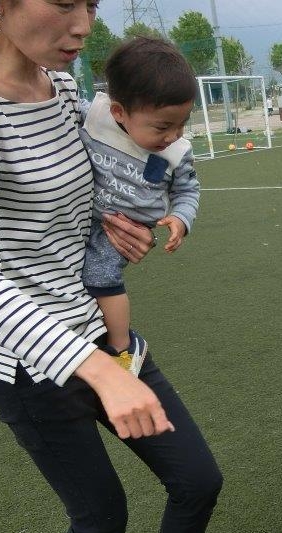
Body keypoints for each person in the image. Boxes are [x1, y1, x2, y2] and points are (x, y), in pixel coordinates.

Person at [0, 0, 246, 533]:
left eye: (93, 4)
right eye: (64, 1)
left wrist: (117, 226)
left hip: (97, 332)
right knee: (101, 513)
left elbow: (83, 196)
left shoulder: (60, 86)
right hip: (29, 364)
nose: (83, 25)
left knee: (197, 478)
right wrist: (100, 368)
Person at [80, 37, 200, 375]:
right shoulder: (95, 117)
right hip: (83, 218)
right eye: (163, 126)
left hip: (120, 232)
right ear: (119, 112)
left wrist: (180, 219)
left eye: (182, 124)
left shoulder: (176, 152)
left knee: (100, 278)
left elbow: (188, 190)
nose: (174, 135)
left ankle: (122, 347)